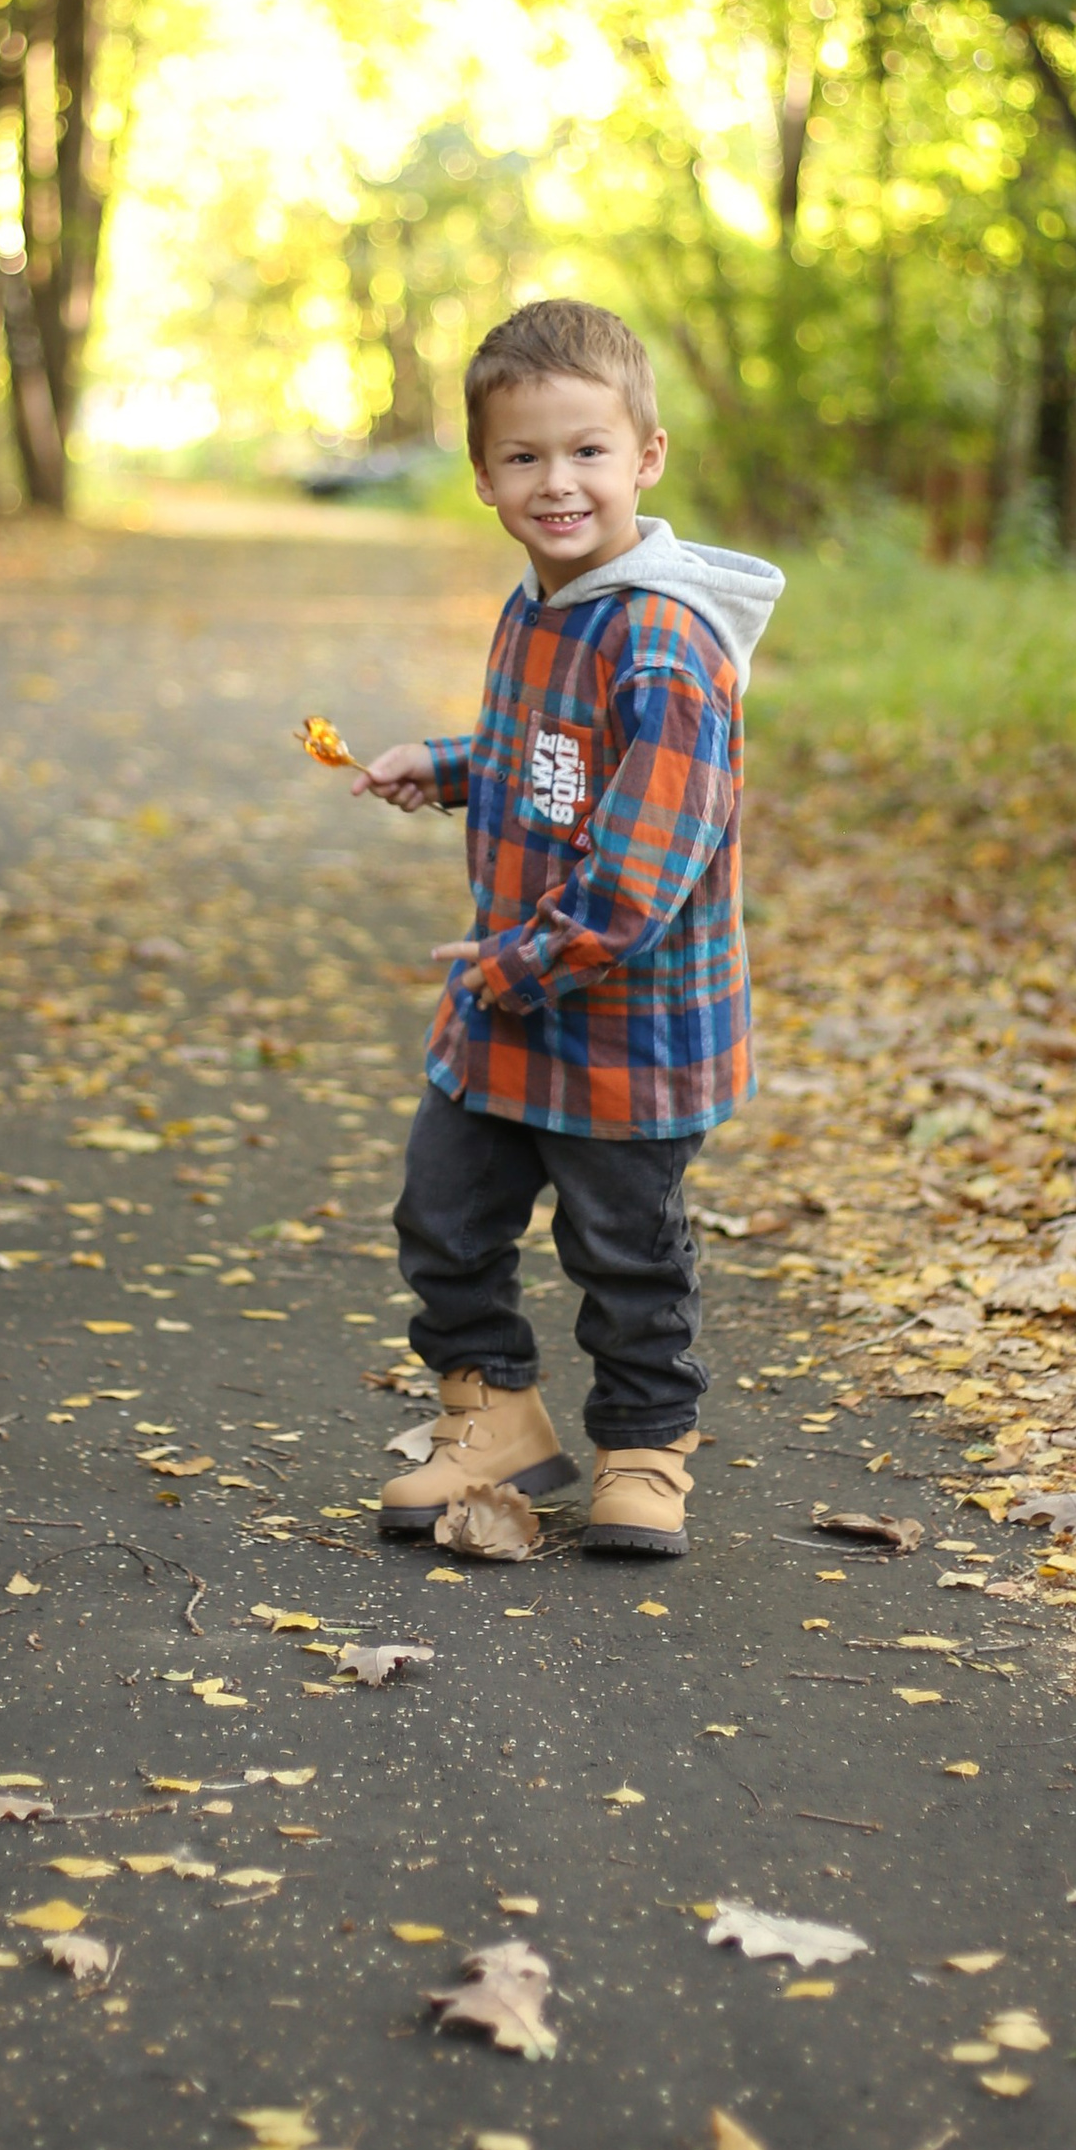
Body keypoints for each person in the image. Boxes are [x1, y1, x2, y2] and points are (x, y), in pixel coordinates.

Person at [352, 299, 783, 1560]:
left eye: (588, 451)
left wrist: (521, 960)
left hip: (623, 1025)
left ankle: (644, 1449)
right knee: (442, 1215)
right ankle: (490, 1417)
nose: (557, 483)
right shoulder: (542, 606)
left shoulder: (662, 644)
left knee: (621, 1253)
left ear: (645, 457)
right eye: (525, 456)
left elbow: (638, 878)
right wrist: (447, 765)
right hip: (514, 1004)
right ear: (482, 474)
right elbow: (550, 757)